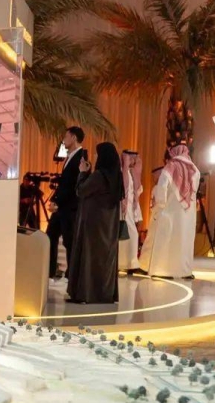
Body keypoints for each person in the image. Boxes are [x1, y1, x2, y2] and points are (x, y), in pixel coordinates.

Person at [66, 142, 123, 304]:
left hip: (93, 226)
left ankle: (87, 294)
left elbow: (81, 190)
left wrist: (83, 173)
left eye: (98, 154)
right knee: (105, 261)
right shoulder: (116, 177)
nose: (96, 156)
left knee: (89, 259)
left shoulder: (99, 176)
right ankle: (104, 294)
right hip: (109, 228)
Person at [139, 143, 201, 279]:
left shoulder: (170, 166)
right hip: (187, 213)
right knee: (184, 241)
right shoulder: (194, 169)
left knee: (166, 240)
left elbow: (162, 187)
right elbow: (194, 190)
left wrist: (159, 205)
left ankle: (163, 270)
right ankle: (184, 271)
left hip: (169, 211)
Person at [46, 126, 87, 279]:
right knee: (50, 236)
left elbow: (74, 186)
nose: (63, 140)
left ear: (74, 138)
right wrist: (54, 200)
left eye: (66, 136)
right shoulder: (69, 157)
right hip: (61, 207)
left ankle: (72, 276)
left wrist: (58, 203)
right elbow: (64, 183)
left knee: (69, 241)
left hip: (70, 208)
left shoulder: (82, 158)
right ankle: (49, 272)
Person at [118, 150, 144, 273]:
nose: (134, 161)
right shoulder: (122, 172)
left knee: (131, 235)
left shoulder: (130, 173)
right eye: (132, 159)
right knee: (131, 234)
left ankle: (129, 263)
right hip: (123, 208)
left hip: (129, 208)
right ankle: (130, 263)